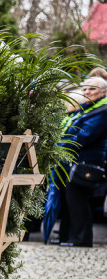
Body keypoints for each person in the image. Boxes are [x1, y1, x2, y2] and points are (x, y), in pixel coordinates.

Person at [57, 76, 107, 247]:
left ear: (104, 92)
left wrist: (60, 145)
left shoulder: (102, 110)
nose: (87, 92)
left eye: (92, 89)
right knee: (70, 200)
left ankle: (81, 239)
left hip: (85, 162)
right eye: (84, 89)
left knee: (80, 201)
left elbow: (84, 135)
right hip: (73, 160)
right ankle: (69, 237)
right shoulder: (86, 109)